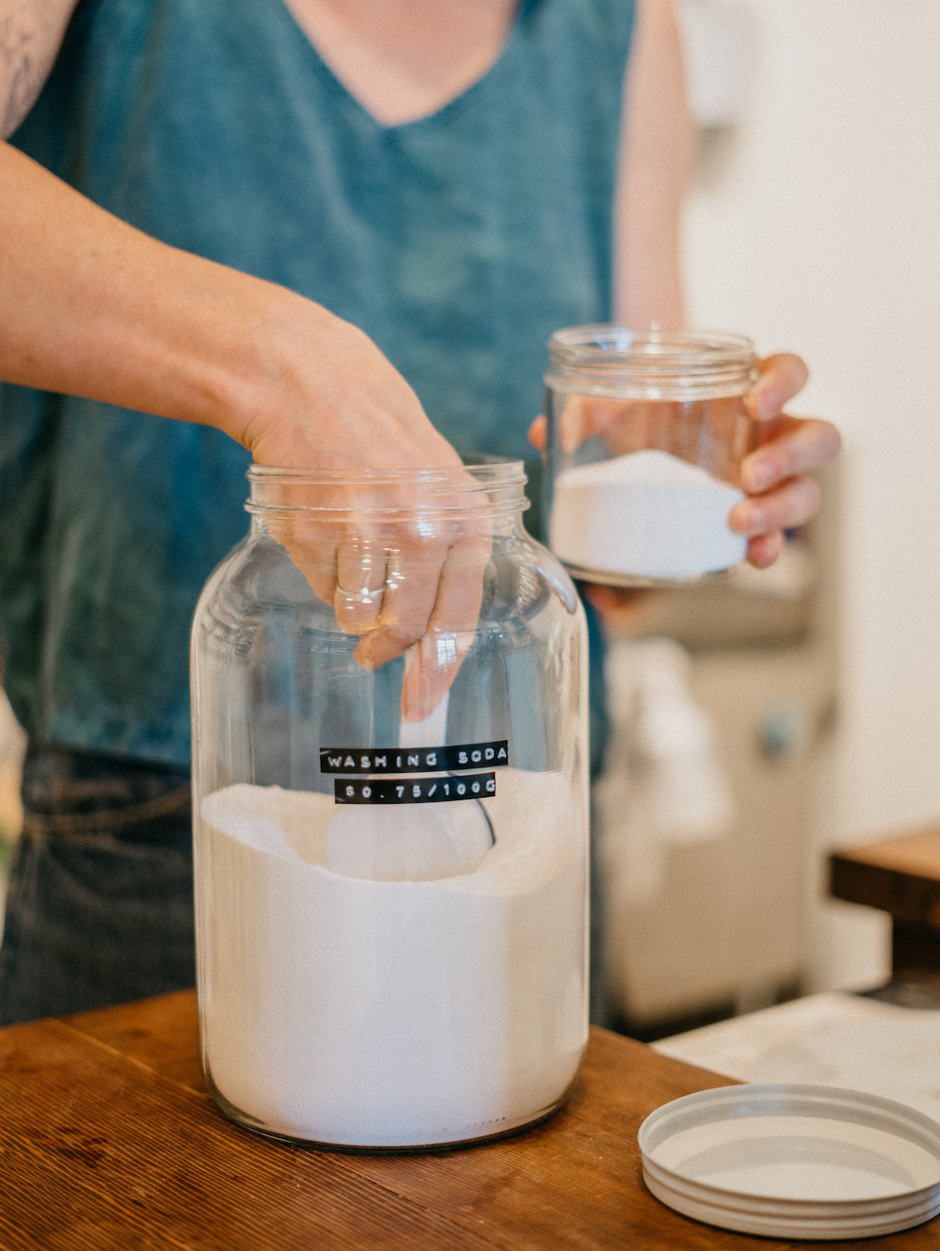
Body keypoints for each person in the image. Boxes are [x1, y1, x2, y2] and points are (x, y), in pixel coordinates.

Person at [0, 0, 840, 1025]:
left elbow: (622, 510)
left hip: (519, 820)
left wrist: (703, 493)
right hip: (161, 817)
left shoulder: (619, 34)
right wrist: (281, 368)